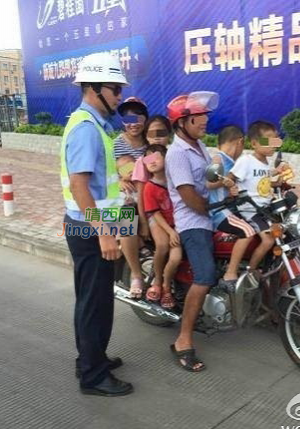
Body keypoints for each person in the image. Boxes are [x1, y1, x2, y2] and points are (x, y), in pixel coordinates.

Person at [60, 52, 133, 396]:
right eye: (114, 89)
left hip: (93, 223)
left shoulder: (94, 125)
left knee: (91, 298)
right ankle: (93, 376)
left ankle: (91, 357)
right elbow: (79, 186)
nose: (119, 96)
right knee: (96, 302)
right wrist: (105, 233)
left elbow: (100, 183)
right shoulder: (87, 129)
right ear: (92, 88)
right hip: (90, 228)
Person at [165, 91, 219, 372]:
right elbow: (190, 198)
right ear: (182, 122)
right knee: (206, 275)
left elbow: (208, 181)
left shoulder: (200, 147)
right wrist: (216, 208)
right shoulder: (177, 153)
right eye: (198, 117)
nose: (205, 120)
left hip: (209, 214)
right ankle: (183, 340)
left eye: (204, 115)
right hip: (193, 221)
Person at [226, 121, 286, 276]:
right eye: (268, 141)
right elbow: (230, 177)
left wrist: (276, 181)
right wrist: (231, 187)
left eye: (275, 141)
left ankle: (268, 265)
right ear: (254, 143)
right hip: (251, 209)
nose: (273, 145)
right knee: (268, 240)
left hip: (264, 208)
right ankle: (251, 272)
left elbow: (261, 181)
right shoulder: (246, 161)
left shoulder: (265, 163)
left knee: (283, 232)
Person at [206, 125, 257, 293]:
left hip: (228, 208)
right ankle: (230, 274)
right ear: (240, 142)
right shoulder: (218, 159)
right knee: (248, 231)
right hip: (218, 212)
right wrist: (225, 182)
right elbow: (209, 183)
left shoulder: (230, 162)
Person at [113, 97, 148, 298]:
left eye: (138, 118)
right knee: (126, 226)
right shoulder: (116, 144)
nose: (133, 123)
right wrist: (118, 181)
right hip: (126, 196)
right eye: (128, 118)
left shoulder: (150, 142)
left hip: (149, 194)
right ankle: (136, 274)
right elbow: (106, 172)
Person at [142, 144, 180, 308]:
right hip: (157, 220)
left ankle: (166, 286)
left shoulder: (175, 182)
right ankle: (158, 281)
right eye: (148, 159)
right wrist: (171, 231)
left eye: (156, 157)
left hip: (176, 223)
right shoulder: (149, 187)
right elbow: (155, 213)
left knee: (176, 257)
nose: (152, 161)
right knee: (163, 245)